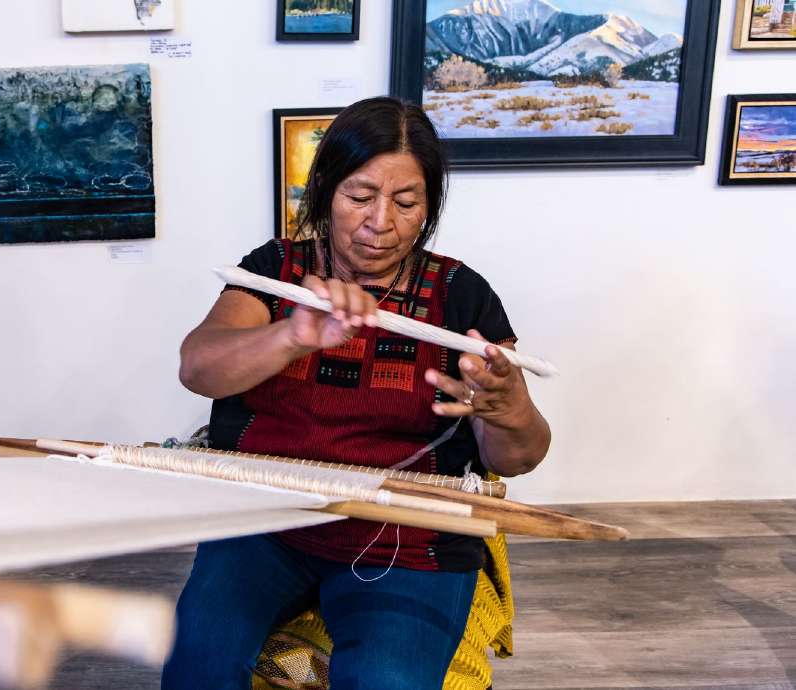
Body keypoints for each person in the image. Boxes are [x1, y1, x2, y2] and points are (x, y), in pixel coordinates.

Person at [162, 96, 551, 690]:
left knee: (385, 680)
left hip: (408, 531)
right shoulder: (274, 272)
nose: (381, 223)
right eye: (360, 196)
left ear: (429, 206)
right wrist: (292, 335)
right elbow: (199, 367)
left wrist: (509, 410)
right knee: (200, 662)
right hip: (267, 518)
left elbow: (517, 458)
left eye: (406, 202)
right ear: (325, 190)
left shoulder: (461, 296)